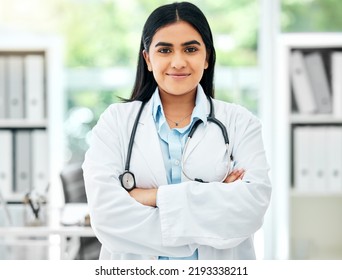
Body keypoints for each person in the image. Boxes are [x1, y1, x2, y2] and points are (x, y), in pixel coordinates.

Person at [82, 1, 271, 260]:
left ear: (207, 58)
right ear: (148, 59)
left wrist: (151, 196)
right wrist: (211, 205)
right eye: (165, 50)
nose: (178, 62)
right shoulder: (115, 123)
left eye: (191, 49)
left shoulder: (241, 123)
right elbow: (107, 217)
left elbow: (250, 209)